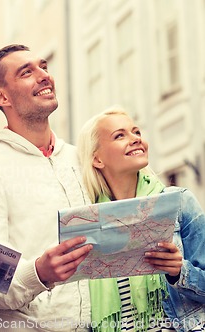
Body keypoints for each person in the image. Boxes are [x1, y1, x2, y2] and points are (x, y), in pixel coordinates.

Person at [0, 44, 94, 331]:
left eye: (43, 67)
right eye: (27, 72)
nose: (44, 75)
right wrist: (39, 273)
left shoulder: (79, 157)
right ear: (2, 96)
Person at [77, 106, 205, 332]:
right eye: (120, 135)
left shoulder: (180, 203)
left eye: (136, 132)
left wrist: (179, 272)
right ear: (97, 159)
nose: (135, 139)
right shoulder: (87, 225)